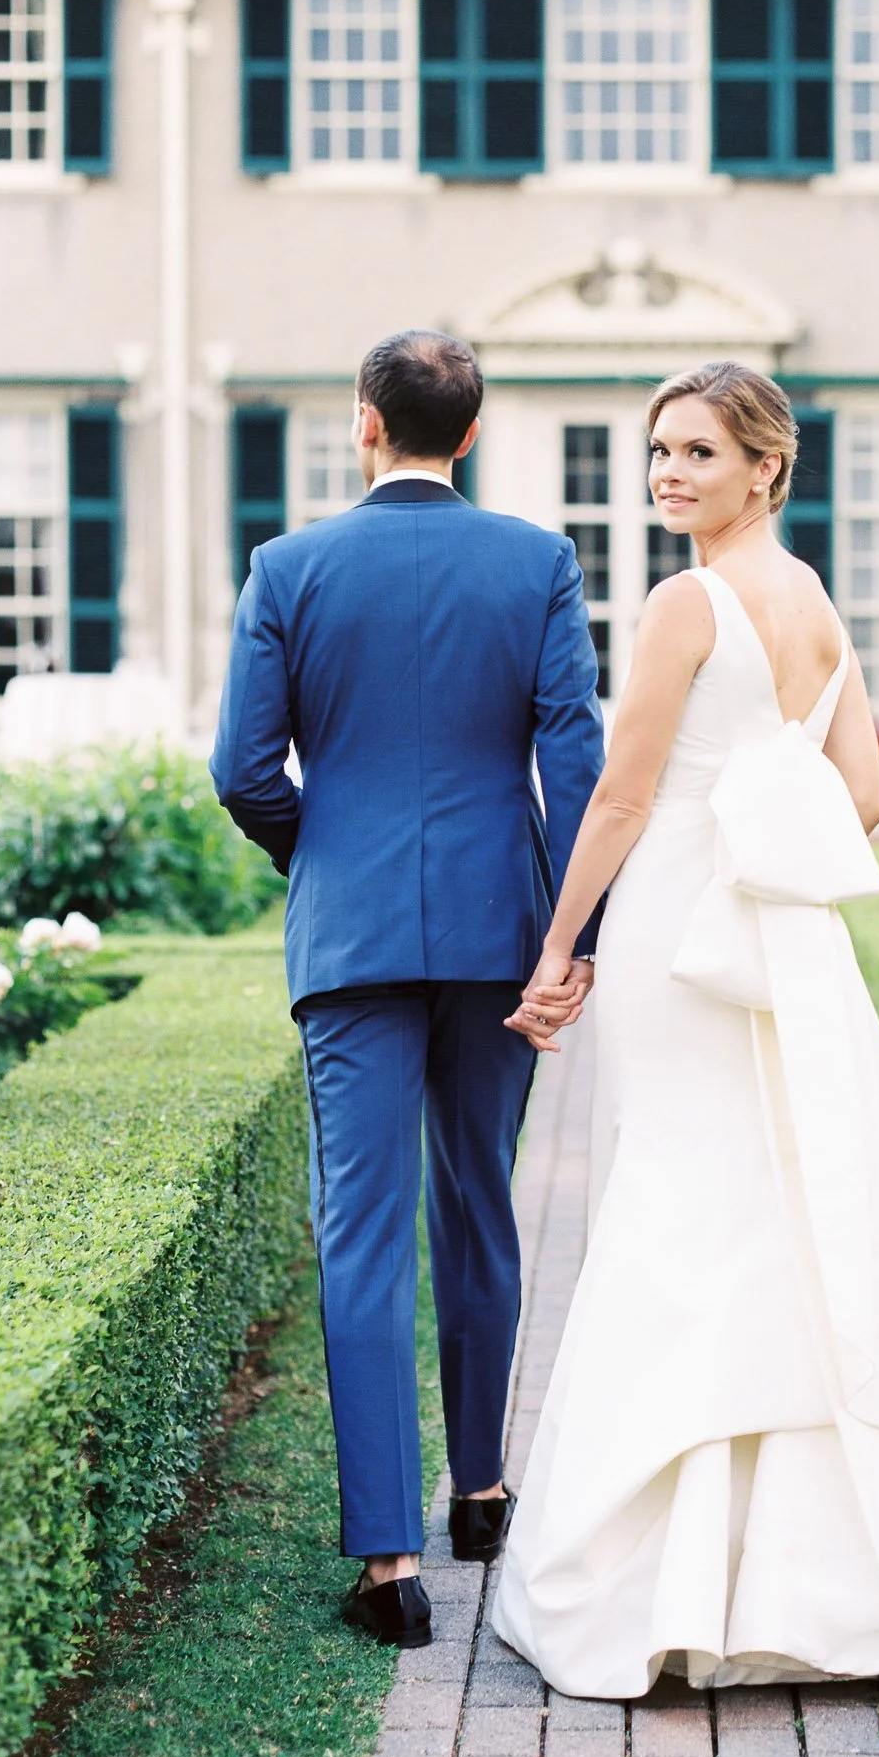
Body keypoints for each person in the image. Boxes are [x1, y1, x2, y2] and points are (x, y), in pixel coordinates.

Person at [491, 362, 879, 1696]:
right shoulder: (815, 608)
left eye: (698, 452)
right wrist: (765, 818)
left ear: (765, 467)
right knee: (794, 1219)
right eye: (660, 452)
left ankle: (675, 1584)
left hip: (681, 943)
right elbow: (859, 793)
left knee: (683, 1217)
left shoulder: (685, 602)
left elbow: (621, 803)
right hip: (784, 944)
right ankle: (830, 1581)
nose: (670, 474)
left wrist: (556, 945)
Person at [209, 330, 605, 1651]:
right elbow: (580, 764)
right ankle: (482, 1491)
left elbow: (244, 771)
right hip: (502, 932)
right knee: (479, 1206)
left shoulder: (289, 568)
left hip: (351, 938)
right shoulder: (538, 562)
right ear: (471, 434)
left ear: (365, 424)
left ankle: (389, 1563)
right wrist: (570, 934)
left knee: (363, 1232)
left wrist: (318, 857)